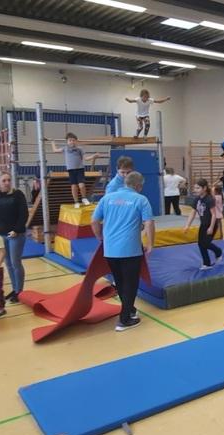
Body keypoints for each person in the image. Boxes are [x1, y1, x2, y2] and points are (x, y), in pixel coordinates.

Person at [92, 171, 155, 332]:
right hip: (130, 250)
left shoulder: (107, 198)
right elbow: (149, 223)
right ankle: (124, 319)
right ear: (138, 185)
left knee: (120, 283)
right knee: (131, 284)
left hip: (110, 250)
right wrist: (150, 244)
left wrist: (100, 238)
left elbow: (94, 221)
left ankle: (130, 309)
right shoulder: (141, 199)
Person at [0, 172, 29, 303]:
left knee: (16, 262)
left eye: (8, 180)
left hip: (15, 234)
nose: (7, 182)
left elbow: (24, 214)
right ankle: (14, 288)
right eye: (4, 181)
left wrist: (16, 230)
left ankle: (19, 291)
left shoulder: (17, 195)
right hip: (1, 234)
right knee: (8, 264)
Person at [50, 132, 99, 208]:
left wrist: (94, 156)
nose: (72, 142)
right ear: (67, 141)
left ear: (76, 141)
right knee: (74, 186)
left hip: (80, 169)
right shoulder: (65, 148)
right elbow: (55, 150)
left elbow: (86, 158)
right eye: (70, 140)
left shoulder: (79, 149)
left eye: (73, 140)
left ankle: (84, 198)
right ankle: (76, 201)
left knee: (81, 185)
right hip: (71, 170)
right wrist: (52, 142)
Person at [184, 179, 222, 270]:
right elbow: (193, 212)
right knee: (200, 244)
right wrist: (187, 225)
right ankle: (207, 264)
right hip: (203, 225)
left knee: (205, 243)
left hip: (211, 224)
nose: (195, 190)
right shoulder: (197, 199)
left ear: (204, 188)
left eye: (198, 188)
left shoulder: (209, 199)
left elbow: (214, 214)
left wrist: (211, 227)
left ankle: (218, 252)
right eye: (195, 188)